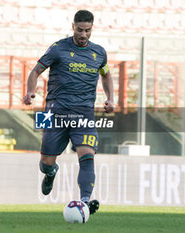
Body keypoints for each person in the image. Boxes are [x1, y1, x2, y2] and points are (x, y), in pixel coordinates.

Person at [23, 10, 114, 214]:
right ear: (72, 27)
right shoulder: (58, 48)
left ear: (92, 28)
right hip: (53, 111)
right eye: (80, 30)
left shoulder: (99, 53)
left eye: (87, 30)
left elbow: (106, 75)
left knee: (87, 155)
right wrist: (30, 91)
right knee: (46, 162)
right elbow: (36, 71)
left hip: (84, 113)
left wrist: (110, 98)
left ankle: (84, 202)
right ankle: (51, 172)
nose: (83, 35)